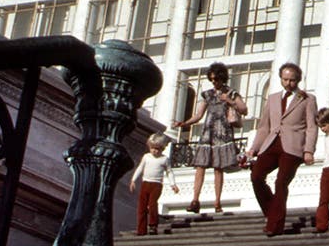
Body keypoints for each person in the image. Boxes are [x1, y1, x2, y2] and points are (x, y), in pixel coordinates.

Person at [245, 62, 319, 235]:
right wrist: (254, 148)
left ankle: (274, 226)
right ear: (280, 79)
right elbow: (264, 127)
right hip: (271, 143)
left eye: (292, 80)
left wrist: (309, 150)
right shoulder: (272, 99)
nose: (288, 83)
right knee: (256, 176)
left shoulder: (307, 99)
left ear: (298, 80)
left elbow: (311, 127)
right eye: (285, 79)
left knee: (281, 182)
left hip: (293, 147)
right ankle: (273, 213)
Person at [172, 61, 248, 212]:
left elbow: (244, 109)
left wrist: (230, 102)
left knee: (218, 168)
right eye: (212, 79)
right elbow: (199, 115)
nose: (214, 82)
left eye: (216, 79)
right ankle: (195, 200)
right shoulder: (208, 94)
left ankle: (217, 202)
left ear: (222, 78)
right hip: (208, 132)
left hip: (223, 132)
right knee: (200, 166)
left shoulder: (231, 92)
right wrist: (184, 123)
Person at [128, 133, 178, 236]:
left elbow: (169, 172)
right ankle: (141, 229)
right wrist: (133, 180)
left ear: (162, 149)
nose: (155, 151)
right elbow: (140, 168)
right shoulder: (146, 157)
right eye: (152, 148)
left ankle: (153, 225)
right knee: (142, 206)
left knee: (152, 204)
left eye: (157, 149)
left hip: (156, 184)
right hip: (145, 183)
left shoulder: (164, 159)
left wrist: (173, 184)